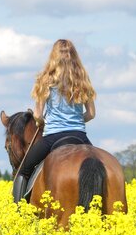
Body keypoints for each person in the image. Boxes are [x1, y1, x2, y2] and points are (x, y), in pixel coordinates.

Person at [12, 39, 96, 203]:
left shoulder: (46, 79)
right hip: (80, 136)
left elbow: (37, 115)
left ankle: (17, 213)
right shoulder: (82, 79)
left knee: (23, 170)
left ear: (54, 56)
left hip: (53, 137)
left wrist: (41, 122)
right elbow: (91, 114)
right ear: (74, 56)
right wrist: (77, 121)